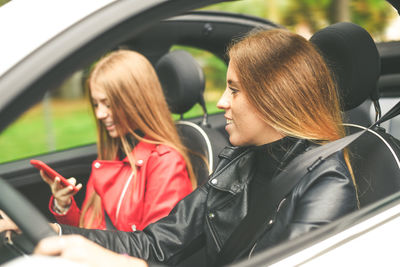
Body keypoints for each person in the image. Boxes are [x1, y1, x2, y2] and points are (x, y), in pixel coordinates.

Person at [4, 29, 358, 266]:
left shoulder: (327, 185)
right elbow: (155, 244)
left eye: (233, 90)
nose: (221, 102)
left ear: (274, 97)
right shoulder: (238, 164)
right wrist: (59, 231)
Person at [41, 50, 196, 231]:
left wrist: (59, 232)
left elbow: (156, 248)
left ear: (135, 101)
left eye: (108, 104)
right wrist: (63, 204)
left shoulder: (165, 162)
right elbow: (90, 231)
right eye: (96, 104)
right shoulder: (112, 153)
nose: (99, 114)